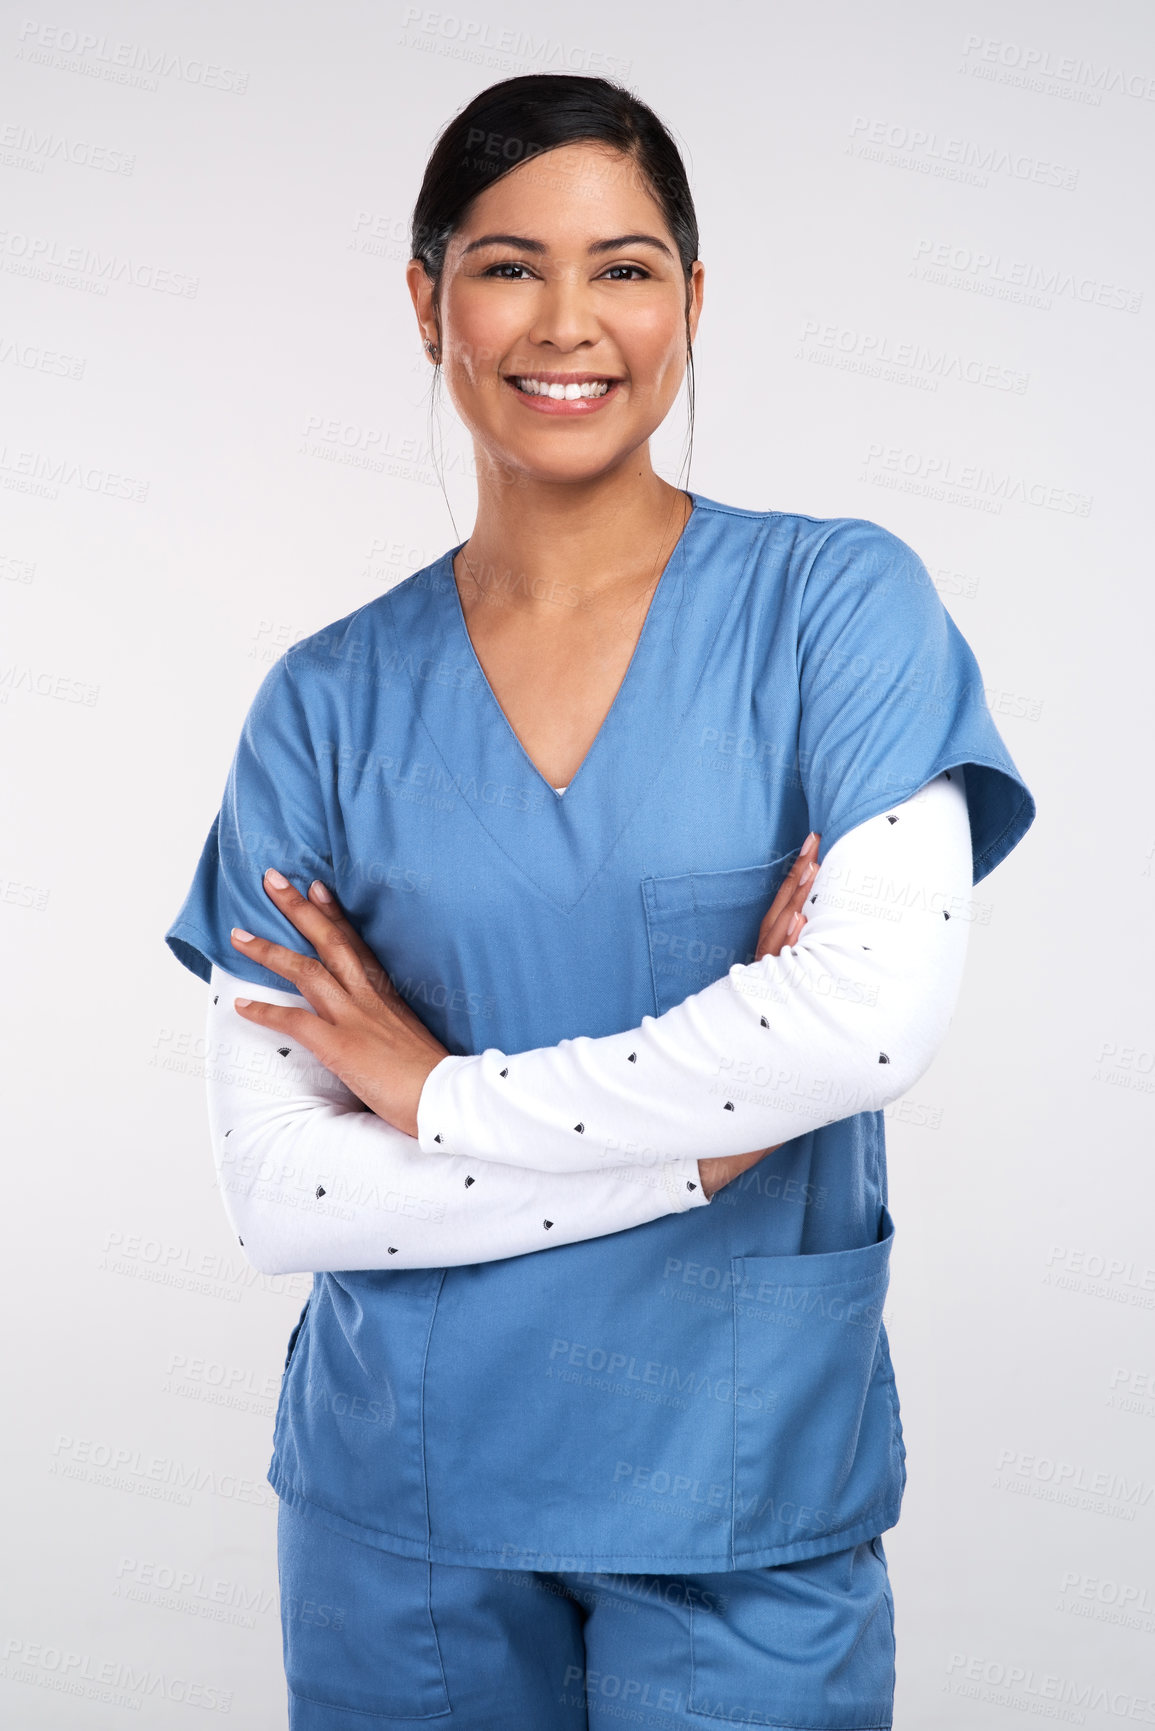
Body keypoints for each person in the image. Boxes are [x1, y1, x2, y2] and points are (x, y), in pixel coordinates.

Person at [164, 73, 1036, 1731]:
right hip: (401, 1506)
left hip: (738, 1488)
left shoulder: (837, 609)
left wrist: (433, 1098)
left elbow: (862, 1021)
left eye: (626, 268)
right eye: (508, 264)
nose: (569, 322)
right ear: (429, 300)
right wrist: (699, 1144)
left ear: (694, 303)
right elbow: (282, 1189)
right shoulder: (325, 703)